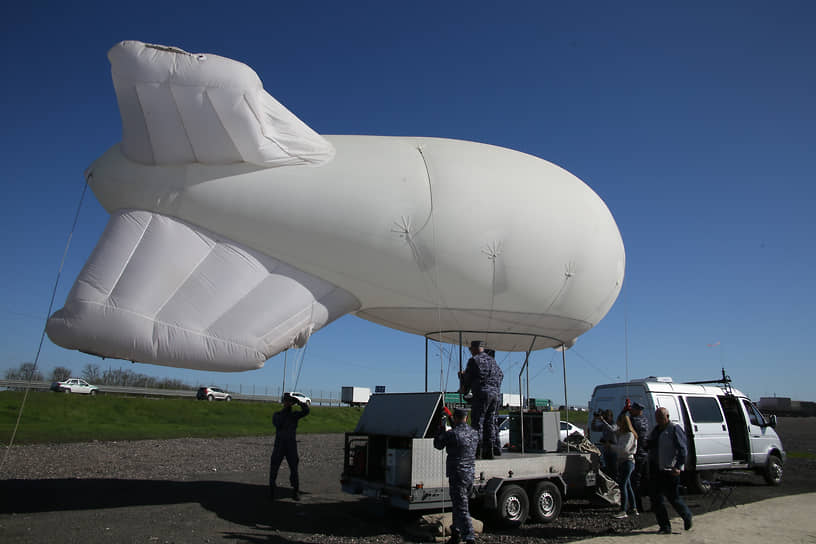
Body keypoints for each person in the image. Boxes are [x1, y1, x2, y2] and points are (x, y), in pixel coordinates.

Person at [434, 407, 479, 544]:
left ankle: (469, 537)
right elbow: (461, 433)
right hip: (470, 474)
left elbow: (438, 444)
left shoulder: (452, 434)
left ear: (455, 417)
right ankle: (456, 533)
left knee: (461, 507)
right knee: (458, 504)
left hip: (457, 474)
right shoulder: (474, 433)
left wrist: (441, 427)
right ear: (466, 417)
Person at [647, 407, 693, 534]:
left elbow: (683, 450)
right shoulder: (656, 430)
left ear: (667, 416)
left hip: (670, 469)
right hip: (656, 468)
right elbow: (650, 444)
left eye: (661, 417)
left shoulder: (674, 429)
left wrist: (678, 466)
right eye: (657, 417)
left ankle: (686, 515)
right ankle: (665, 526)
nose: (659, 420)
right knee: (656, 499)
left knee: (673, 497)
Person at [459, 340, 503, 459]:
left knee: (477, 422)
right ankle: (490, 451)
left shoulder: (474, 360)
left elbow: (468, 380)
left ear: (474, 348)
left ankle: (477, 451)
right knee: (490, 423)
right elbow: (501, 375)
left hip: (482, 394)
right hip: (495, 395)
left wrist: (463, 380)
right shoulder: (493, 361)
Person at [269, 393, 310, 500]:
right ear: (283, 402)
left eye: (289, 401)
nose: (288, 403)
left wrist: (300, 402)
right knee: (274, 468)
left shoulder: (294, 415)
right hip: (280, 445)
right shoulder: (277, 415)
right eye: (286, 401)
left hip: (291, 445)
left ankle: (295, 491)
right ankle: (271, 490)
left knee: (294, 469)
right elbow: (278, 423)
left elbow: (306, 411)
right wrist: (287, 411)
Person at [612, 413, 638, 518]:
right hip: (623, 461)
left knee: (622, 485)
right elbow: (613, 429)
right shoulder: (623, 434)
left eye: (620, 422)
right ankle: (633, 507)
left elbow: (624, 449)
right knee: (627, 485)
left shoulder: (629, 435)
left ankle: (623, 510)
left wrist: (612, 447)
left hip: (627, 461)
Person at [628, 401, 650, 512]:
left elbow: (623, 422)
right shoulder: (645, 420)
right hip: (645, 453)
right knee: (646, 479)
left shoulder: (634, 421)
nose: (631, 410)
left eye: (632, 409)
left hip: (637, 454)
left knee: (635, 480)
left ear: (637, 410)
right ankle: (653, 505)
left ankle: (637, 505)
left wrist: (624, 411)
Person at [591, 408, 619, 480]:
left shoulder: (615, 425)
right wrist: (595, 419)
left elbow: (612, 429)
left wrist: (603, 421)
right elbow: (594, 428)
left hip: (614, 450)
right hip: (606, 450)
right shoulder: (604, 425)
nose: (605, 418)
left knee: (614, 470)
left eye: (606, 417)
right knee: (608, 469)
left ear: (611, 417)